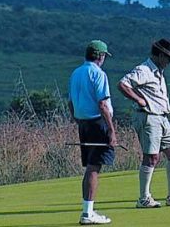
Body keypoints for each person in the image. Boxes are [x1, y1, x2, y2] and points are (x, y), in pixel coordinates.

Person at [117, 38, 170, 208]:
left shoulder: (158, 71)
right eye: (168, 58)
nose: (169, 62)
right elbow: (123, 84)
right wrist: (139, 100)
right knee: (152, 157)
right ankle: (144, 198)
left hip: (161, 117)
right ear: (159, 55)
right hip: (148, 116)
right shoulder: (143, 70)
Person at [68, 40, 117, 225]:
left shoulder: (75, 73)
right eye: (104, 56)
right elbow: (103, 104)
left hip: (84, 123)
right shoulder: (98, 73)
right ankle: (87, 213)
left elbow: (70, 103)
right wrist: (111, 131)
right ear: (100, 56)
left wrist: (77, 120)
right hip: (97, 123)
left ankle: (88, 210)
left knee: (91, 166)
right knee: (94, 167)